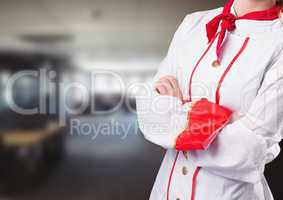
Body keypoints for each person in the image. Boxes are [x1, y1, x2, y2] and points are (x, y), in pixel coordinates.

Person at [136, 0, 283, 199]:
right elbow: (151, 114)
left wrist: (178, 121)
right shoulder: (192, 23)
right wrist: (225, 120)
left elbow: (249, 151)